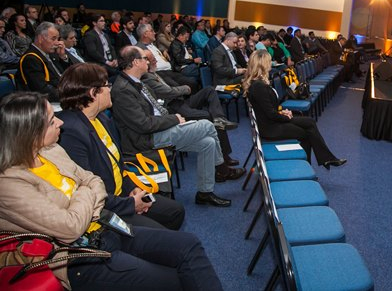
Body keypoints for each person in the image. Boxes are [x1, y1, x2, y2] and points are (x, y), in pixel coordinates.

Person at [0, 92, 223, 291]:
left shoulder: (51, 150)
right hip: (79, 256)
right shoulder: (9, 184)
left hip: (106, 228)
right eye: (51, 121)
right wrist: (85, 191)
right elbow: (71, 227)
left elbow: (93, 179)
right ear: (28, 134)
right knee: (174, 280)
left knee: (188, 245)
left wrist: (83, 194)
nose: (60, 122)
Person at [57, 63, 185, 230]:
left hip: (122, 193)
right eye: (106, 86)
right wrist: (130, 204)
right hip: (104, 209)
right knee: (173, 238)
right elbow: (88, 190)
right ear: (93, 93)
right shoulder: (71, 133)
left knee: (175, 211)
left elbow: (117, 164)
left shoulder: (101, 119)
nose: (110, 90)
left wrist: (132, 189)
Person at [111, 45, 239, 206]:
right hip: (146, 139)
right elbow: (143, 124)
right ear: (136, 62)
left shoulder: (137, 82)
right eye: (144, 58)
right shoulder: (123, 90)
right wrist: (174, 119)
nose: (148, 62)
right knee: (207, 125)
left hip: (159, 129)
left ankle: (205, 193)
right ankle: (221, 168)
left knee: (208, 143)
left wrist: (172, 119)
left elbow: (156, 109)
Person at [243, 49, 346, 169]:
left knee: (310, 122)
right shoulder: (259, 86)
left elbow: (267, 110)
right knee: (306, 133)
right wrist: (285, 116)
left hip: (271, 121)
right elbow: (270, 114)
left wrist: (282, 112)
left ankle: (325, 159)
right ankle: (309, 166)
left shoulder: (258, 84)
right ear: (263, 64)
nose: (271, 63)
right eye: (269, 61)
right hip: (270, 128)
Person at [18, 22, 69, 101]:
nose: (57, 43)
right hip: (43, 101)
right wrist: (68, 95)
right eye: (53, 39)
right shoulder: (30, 59)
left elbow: (66, 74)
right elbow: (42, 90)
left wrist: (62, 56)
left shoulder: (52, 54)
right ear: (40, 39)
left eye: (57, 39)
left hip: (61, 92)